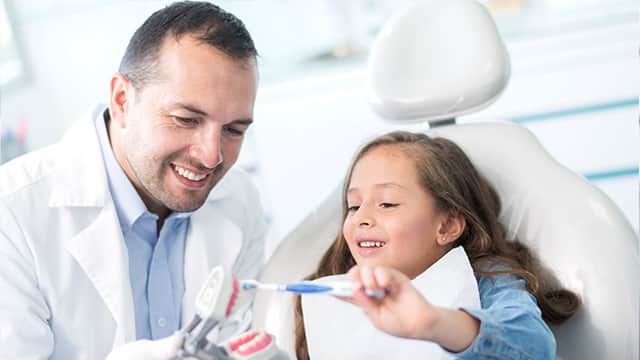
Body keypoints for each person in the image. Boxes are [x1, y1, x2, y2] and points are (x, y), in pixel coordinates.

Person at [0, 2, 268, 359]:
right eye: (186, 120)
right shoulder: (13, 215)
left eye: (234, 130)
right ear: (123, 100)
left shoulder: (238, 200)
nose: (211, 156)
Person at [294, 131, 581, 359]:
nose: (362, 218)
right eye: (353, 206)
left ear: (446, 226)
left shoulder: (488, 280)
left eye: (387, 203)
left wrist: (433, 323)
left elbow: (534, 347)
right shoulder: (336, 298)